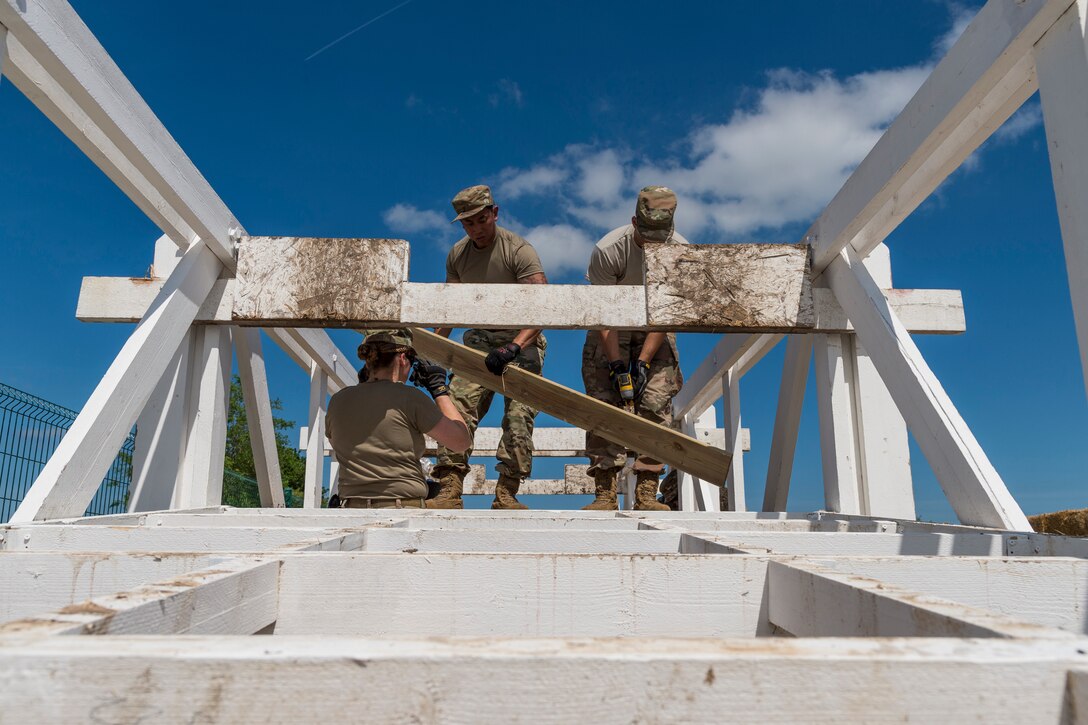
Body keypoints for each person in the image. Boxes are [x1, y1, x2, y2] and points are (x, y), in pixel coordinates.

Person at [428, 184, 549, 510]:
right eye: (468, 224)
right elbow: (450, 307)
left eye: (481, 220)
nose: (476, 229)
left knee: (518, 416)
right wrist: (432, 352)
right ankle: (449, 489)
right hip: (480, 339)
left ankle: (507, 492)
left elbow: (545, 307)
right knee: (457, 405)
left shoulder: (519, 250)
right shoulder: (458, 255)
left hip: (521, 341)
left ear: (494, 213)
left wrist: (513, 347)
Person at [581, 186, 688, 511]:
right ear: (634, 223)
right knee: (604, 405)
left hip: (654, 330)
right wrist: (616, 364)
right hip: (610, 329)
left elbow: (666, 317)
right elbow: (602, 315)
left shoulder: (680, 251)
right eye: (647, 235)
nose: (654, 243)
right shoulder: (609, 249)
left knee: (655, 406)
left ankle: (645, 492)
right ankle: (604, 493)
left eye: (660, 235)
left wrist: (641, 363)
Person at [325, 329, 470, 509]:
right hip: (401, 510)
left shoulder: (338, 401)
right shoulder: (409, 398)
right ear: (402, 358)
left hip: (351, 509)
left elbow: (338, 444)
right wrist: (439, 389)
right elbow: (461, 441)